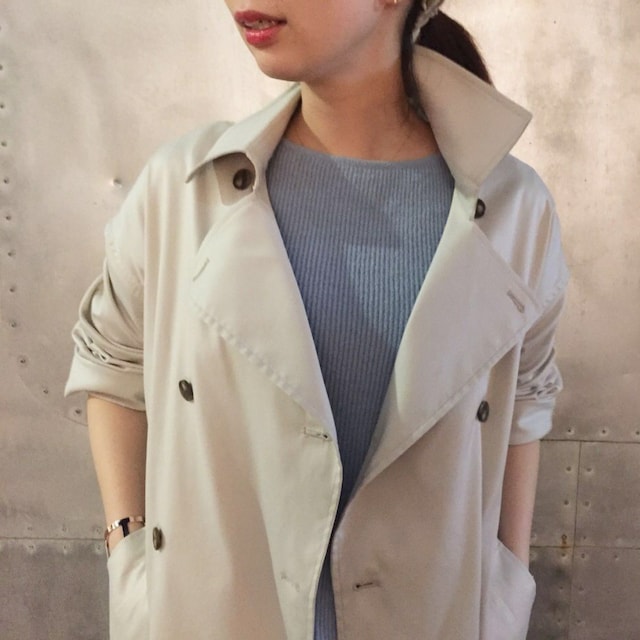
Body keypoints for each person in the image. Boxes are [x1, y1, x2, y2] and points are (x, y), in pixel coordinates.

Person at [65, 0, 569, 638]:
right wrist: (130, 552)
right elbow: (112, 361)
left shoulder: (514, 209)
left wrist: (506, 582)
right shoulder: (184, 189)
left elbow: (524, 399)